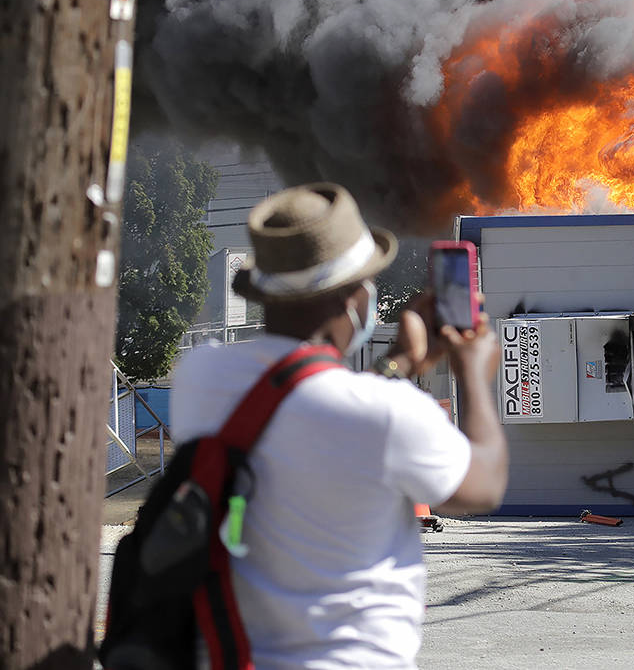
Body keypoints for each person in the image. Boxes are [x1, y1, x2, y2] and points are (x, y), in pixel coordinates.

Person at [170, 182, 507, 669]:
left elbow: (308, 410)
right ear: (355, 299)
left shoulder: (200, 376)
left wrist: (395, 368)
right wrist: (473, 372)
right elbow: (482, 486)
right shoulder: (385, 412)